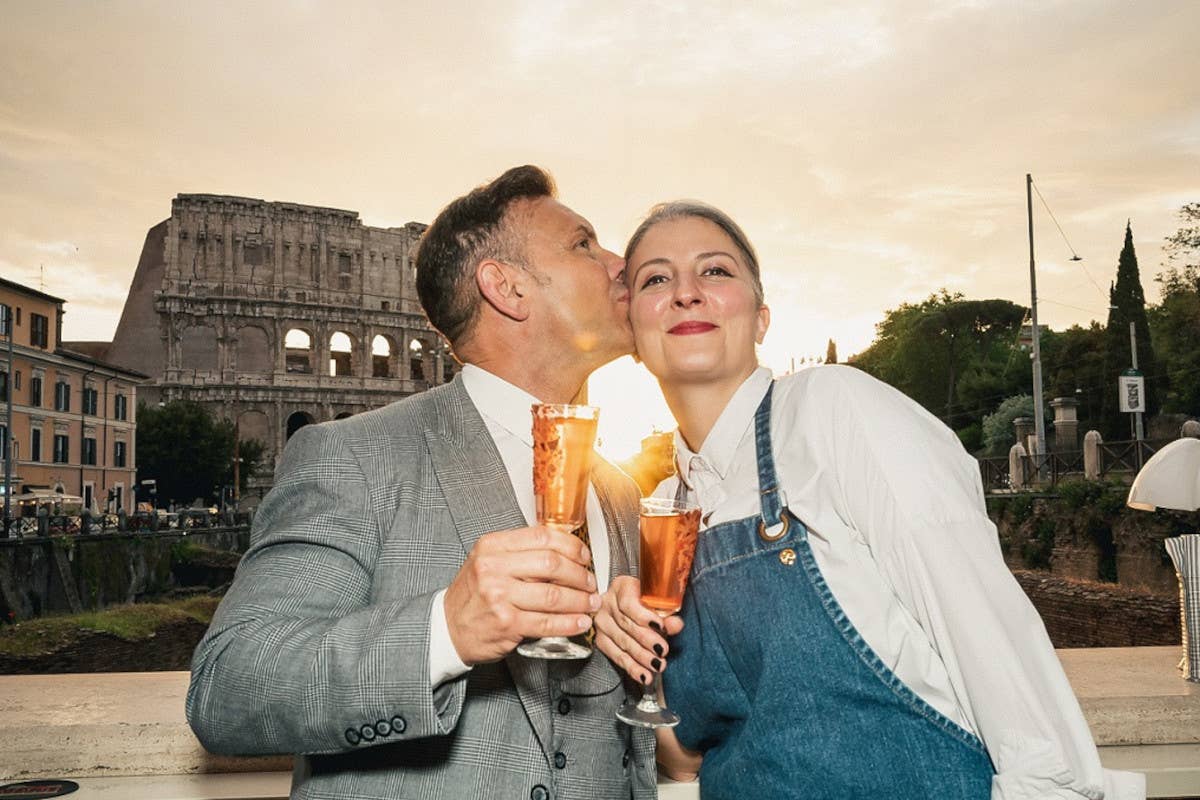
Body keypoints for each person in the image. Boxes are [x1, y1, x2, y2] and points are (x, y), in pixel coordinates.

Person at [594, 201, 1146, 800]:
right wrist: (631, 653)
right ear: (634, 334)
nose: (686, 293)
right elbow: (684, 758)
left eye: (716, 271)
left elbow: (983, 622)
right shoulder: (665, 508)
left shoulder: (832, 410)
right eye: (655, 279)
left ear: (760, 318)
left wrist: (1052, 786)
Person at [187, 166, 658, 800]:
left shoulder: (621, 495)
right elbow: (229, 688)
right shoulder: (350, 456)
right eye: (583, 244)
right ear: (507, 288)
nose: (622, 263)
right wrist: (446, 630)